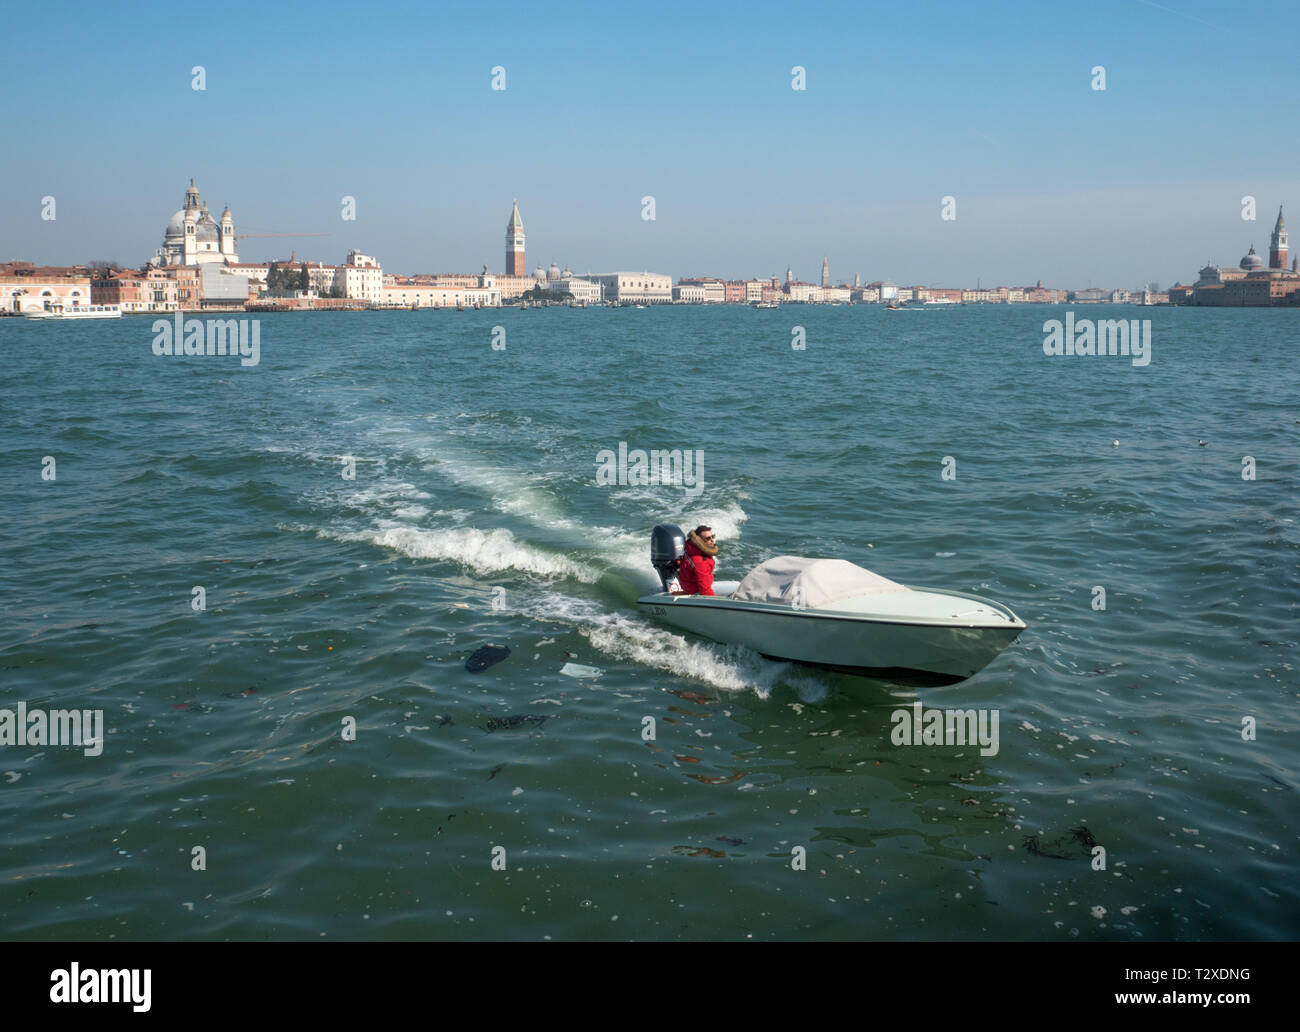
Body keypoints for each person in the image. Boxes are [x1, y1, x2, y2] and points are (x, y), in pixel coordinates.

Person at [676, 525, 718, 595]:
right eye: (708, 538)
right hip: (696, 592)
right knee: (736, 592)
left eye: (712, 536)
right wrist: (715, 603)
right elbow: (704, 590)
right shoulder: (700, 560)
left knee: (737, 586)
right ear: (699, 540)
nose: (712, 540)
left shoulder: (694, 549)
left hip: (694, 586)